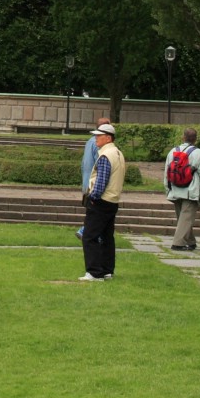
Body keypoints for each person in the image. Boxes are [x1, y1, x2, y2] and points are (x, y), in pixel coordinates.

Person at [80, 123, 125, 281]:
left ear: (108, 138)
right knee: (107, 237)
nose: (96, 138)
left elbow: (101, 182)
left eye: (99, 136)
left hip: (101, 201)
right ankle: (107, 270)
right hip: (113, 200)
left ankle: (94, 272)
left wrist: (93, 197)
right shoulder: (118, 153)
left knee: (89, 236)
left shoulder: (106, 155)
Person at [164, 127, 200, 251]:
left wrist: (168, 190)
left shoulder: (172, 151)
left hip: (175, 189)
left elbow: (166, 173)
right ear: (196, 139)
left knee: (183, 219)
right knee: (186, 219)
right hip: (191, 191)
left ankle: (190, 241)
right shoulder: (199, 153)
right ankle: (177, 244)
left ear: (183, 137)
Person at [77, 117, 112, 239]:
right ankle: (85, 231)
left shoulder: (89, 141)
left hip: (87, 182)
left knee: (92, 213)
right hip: (94, 184)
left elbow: (83, 163)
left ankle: (89, 232)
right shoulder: (99, 145)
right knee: (96, 214)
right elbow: (102, 165)